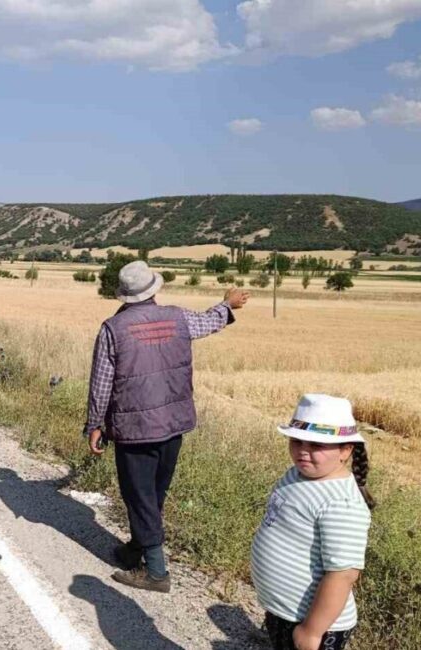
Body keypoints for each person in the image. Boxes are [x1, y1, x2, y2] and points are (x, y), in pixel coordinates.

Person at [84, 260, 249, 593]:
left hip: (135, 428)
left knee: (139, 494)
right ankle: (136, 549)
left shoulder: (113, 329)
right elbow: (209, 322)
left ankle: (156, 572)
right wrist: (227, 304)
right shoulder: (178, 317)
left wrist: (95, 424)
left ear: (124, 294)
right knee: (153, 493)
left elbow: (101, 383)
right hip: (174, 425)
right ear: (154, 289)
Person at [252, 394, 374, 650]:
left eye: (317, 445)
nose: (303, 451)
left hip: (317, 625)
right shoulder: (297, 475)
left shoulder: (341, 503)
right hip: (284, 612)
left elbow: (343, 575)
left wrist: (311, 630)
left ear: (346, 450)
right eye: (297, 441)